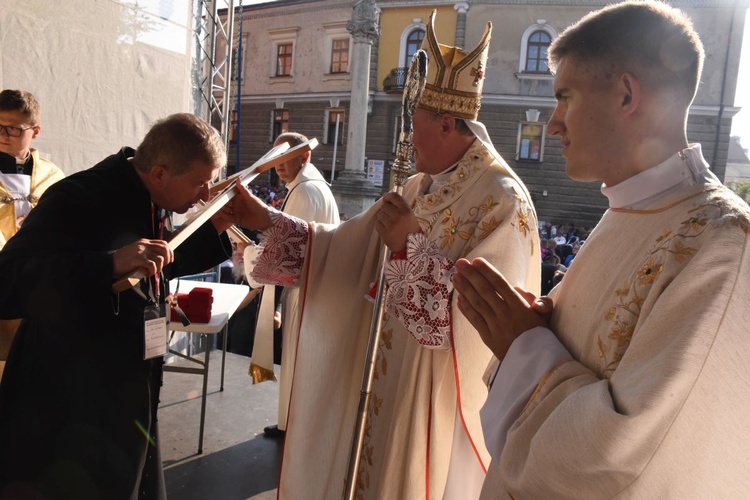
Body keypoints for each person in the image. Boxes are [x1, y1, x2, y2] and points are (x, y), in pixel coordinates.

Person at [225, 11, 540, 499]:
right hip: (386, 386)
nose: (408, 139)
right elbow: (343, 248)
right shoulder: (417, 187)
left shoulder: (503, 202)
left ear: (449, 123)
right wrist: (262, 219)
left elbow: (490, 329)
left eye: (415, 126)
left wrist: (410, 247)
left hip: (435, 403)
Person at [451, 1, 750, 497]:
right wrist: (542, 330)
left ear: (627, 94)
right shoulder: (629, 211)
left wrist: (523, 348)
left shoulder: (720, 245)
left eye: (565, 97)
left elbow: (622, 460)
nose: (552, 124)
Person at [0, 113, 235, 499]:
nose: (206, 194)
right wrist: (107, 263)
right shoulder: (77, 197)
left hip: (125, 397)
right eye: (200, 182)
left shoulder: (149, 195)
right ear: (159, 173)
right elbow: (6, 282)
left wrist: (215, 227)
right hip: (67, 410)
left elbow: (155, 260)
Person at [247, 131, 340, 440]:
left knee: (299, 359)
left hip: (305, 288)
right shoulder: (313, 186)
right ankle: (297, 423)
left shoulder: (303, 192)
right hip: (316, 286)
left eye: (285, 158)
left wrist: (250, 254)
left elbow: (288, 252)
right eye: (275, 159)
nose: (278, 166)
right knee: (303, 360)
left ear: (305, 156)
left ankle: (293, 425)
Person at [0, 89, 65, 380]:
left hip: (39, 283)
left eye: (12, 128)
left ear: (35, 131)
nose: (3, 134)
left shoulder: (53, 176)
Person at [219, 237, 262, 357]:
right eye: (238, 255)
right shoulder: (226, 273)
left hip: (244, 347)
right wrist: (254, 291)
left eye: (246, 255)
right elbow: (233, 307)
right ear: (232, 257)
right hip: (223, 340)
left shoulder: (259, 281)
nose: (242, 258)